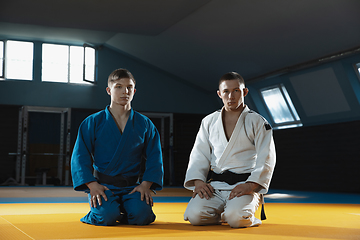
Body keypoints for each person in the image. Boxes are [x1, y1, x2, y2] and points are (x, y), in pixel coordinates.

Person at [71, 68, 163, 226]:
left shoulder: (145, 124)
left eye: (129, 87)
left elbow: (155, 157)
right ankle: (98, 213)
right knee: (107, 217)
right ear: (109, 90)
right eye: (118, 86)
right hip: (103, 186)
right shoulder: (92, 122)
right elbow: (80, 156)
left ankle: (126, 209)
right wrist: (92, 185)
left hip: (132, 187)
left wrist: (145, 184)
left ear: (134, 91)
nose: (125, 91)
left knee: (143, 216)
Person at [183, 72, 276, 228]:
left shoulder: (258, 121)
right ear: (219, 94)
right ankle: (225, 213)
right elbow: (199, 154)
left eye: (236, 91)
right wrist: (198, 181)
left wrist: (251, 186)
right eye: (226, 91)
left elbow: (267, 157)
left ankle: (245, 213)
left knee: (236, 219)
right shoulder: (209, 121)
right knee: (195, 217)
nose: (231, 96)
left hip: (245, 186)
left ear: (244, 92)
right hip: (216, 186)